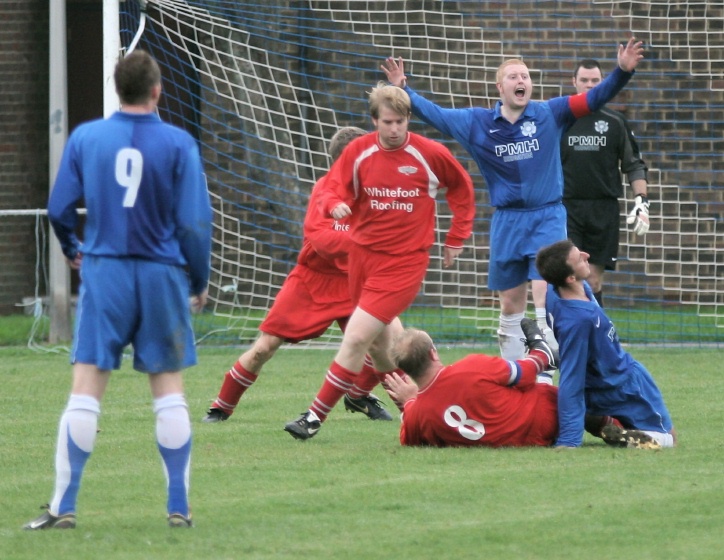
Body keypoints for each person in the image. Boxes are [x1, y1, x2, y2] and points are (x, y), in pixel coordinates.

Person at [24, 50, 212, 530]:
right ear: (157, 90)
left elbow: (60, 207)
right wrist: (198, 278)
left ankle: (63, 507)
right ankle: (178, 506)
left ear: (117, 89)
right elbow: (194, 221)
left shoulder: (88, 137)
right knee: (168, 390)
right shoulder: (178, 143)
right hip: (161, 274)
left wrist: (73, 248)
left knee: (86, 390)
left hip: (105, 271)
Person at [382, 38, 645, 364]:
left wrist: (621, 72)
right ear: (500, 87)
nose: (522, 81)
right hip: (507, 220)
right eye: (514, 77)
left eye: (525, 76)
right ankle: (513, 373)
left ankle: (561, 367)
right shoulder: (476, 123)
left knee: (547, 292)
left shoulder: (551, 113)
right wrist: (404, 90)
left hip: (547, 216)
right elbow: (436, 115)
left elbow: (594, 98)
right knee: (509, 304)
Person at [283, 82, 476, 440]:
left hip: (404, 264)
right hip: (362, 261)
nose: (395, 129)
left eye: (401, 121)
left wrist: (456, 237)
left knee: (355, 338)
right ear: (375, 120)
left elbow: (462, 187)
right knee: (383, 349)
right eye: (388, 121)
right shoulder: (358, 152)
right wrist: (333, 204)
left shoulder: (428, 154)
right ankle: (426, 412)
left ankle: (313, 417)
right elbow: (330, 187)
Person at [202, 127, 397, 424]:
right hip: (312, 280)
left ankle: (372, 398)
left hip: (356, 283)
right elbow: (320, 239)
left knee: (385, 348)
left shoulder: (378, 193)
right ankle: (222, 406)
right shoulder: (324, 189)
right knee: (264, 348)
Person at [535, 239, 676, 449]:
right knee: (669, 440)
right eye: (579, 259)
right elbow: (571, 379)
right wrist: (569, 441)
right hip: (623, 386)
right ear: (570, 277)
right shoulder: (579, 321)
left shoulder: (561, 292)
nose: (586, 255)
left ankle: (600, 421)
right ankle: (611, 431)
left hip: (602, 384)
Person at [385, 320, 560, 447]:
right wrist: (539, 353)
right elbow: (527, 374)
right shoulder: (472, 367)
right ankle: (544, 353)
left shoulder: (417, 415)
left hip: (530, 440)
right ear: (433, 353)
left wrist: (408, 403)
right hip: (553, 415)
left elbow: (408, 438)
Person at [562, 58, 650, 307]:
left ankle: (596, 340)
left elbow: (633, 164)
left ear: (603, 84)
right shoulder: (561, 121)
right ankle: (568, 339)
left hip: (604, 210)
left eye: (595, 81)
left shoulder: (614, 122)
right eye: (584, 81)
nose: (589, 86)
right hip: (567, 208)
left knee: (593, 281)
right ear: (574, 82)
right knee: (570, 279)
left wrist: (641, 202)